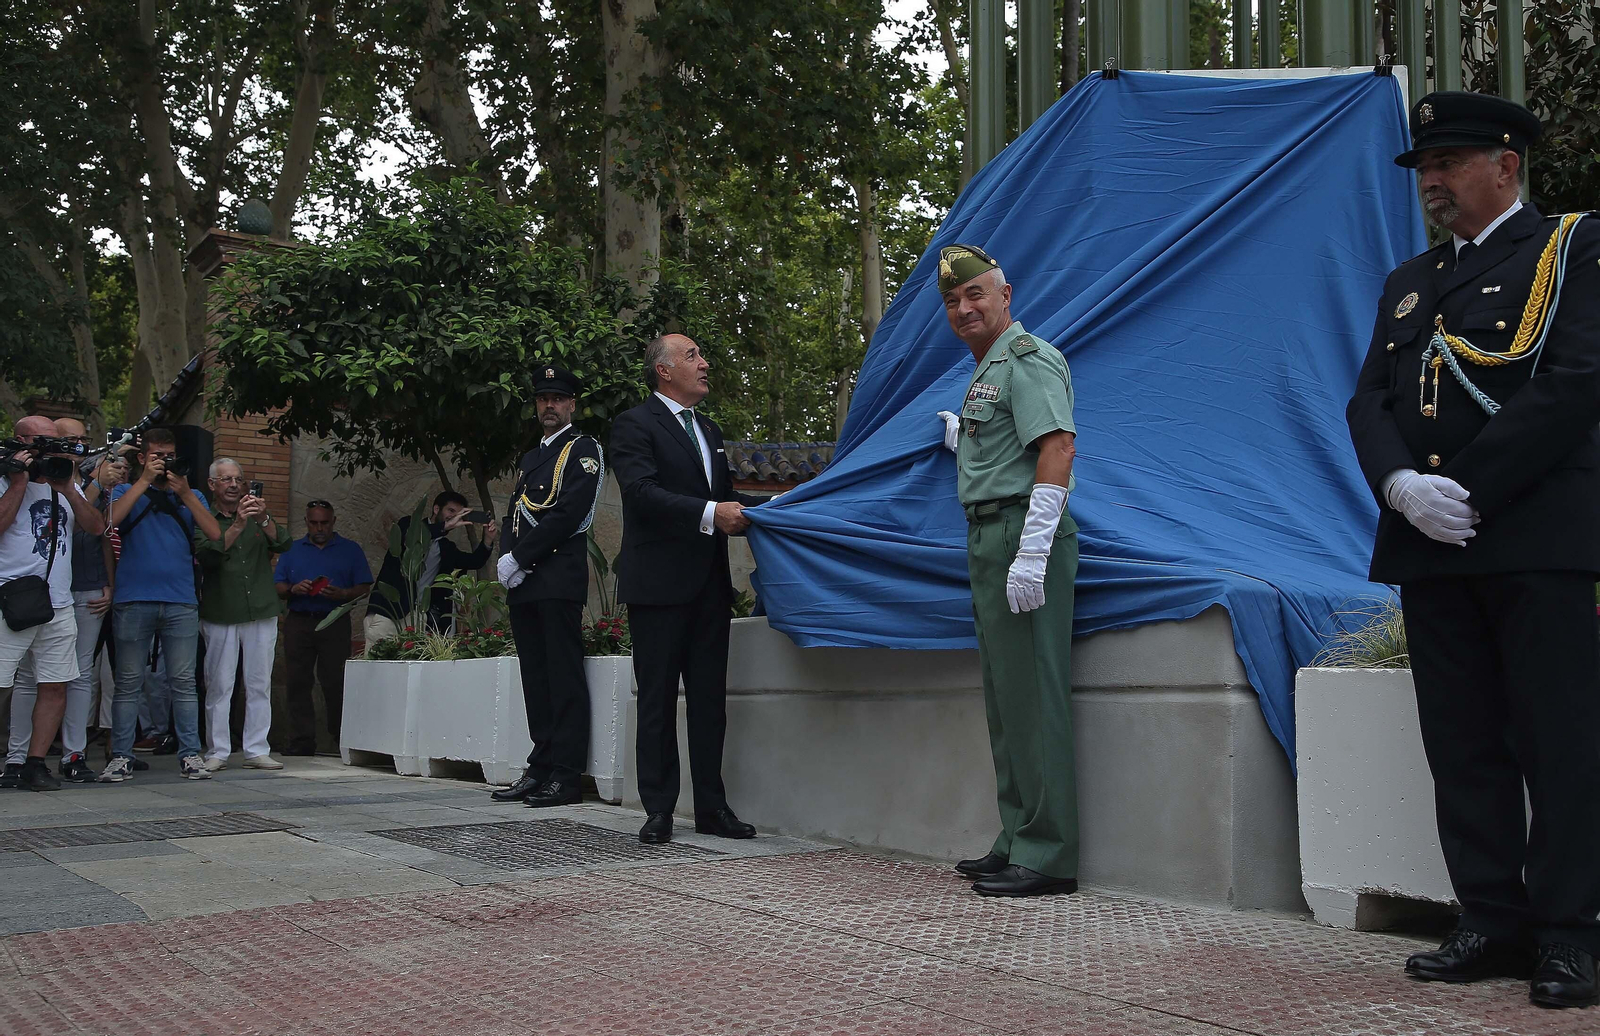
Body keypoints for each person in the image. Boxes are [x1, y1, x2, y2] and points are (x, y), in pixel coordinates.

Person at [1347, 92, 1600, 1010]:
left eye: (1450, 165)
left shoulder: (1572, 249)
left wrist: (1471, 488)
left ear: (1506, 164)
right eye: (1425, 171)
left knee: (1561, 742)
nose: (1435, 185)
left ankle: (1573, 934)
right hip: (1430, 545)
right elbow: (1367, 400)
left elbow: (1576, 380)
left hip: (1535, 537)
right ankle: (1490, 918)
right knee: (1462, 744)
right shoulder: (1409, 282)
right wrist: (1401, 488)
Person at [933, 244, 1080, 898]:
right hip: (989, 532)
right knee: (1005, 698)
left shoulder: (1029, 358)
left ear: (1004, 294)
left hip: (1022, 532)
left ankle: (1049, 854)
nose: (964, 309)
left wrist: (1035, 548)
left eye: (975, 295)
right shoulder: (988, 368)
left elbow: (1057, 447)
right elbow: (1005, 445)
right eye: (953, 302)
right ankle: (1018, 835)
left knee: (1034, 697)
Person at [611, 334, 761, 844]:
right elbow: (641, 492)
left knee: (708, 701)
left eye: (702, 352)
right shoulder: (633, 424)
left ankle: (712, 808)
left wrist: (778, 508)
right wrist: (710, 514)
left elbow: (721, 497)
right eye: (693, 355)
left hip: (709, 587)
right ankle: (657, 809)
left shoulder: (710, 430)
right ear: (664, 371)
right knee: (656, 699)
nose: (705, 361)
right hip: (656, 586)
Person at [492, 366, 603, 807]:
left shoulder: (583, 449)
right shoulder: (532, 456)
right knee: (535, 679)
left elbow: (569, 512)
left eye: (558, 398)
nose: (549, 405)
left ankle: (566, 773)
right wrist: (506, 557)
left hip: (556, 577)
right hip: (526, 582)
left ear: (573, 404)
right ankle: (540, 766)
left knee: (563, 677)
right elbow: (514, 514)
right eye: (543, 398)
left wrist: (521, 557)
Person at [101, 427, 221, 782]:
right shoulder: (125, 490)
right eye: (157, 456)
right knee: (128, 681)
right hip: (133, 597)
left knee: (184, 681)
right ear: (142, 458)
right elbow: (112, 522)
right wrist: (144, 482)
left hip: (181, 600)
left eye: (170, 456)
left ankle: (190, 755)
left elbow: (215, 535)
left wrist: (184, 492)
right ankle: (121, 755)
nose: (165, 462)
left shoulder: (191, 493)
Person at [2, 419, 114, 785]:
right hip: (11, 598)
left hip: (58, 602)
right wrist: (19, 480)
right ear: (21, 441)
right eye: (43, 441)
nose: (51, 449)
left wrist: (67, 487)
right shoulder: (5, 479)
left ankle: (35, 762)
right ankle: (11, 761)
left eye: (56, 442)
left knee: (55, 684)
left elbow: (96, 528)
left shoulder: (65, 482)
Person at [195, 459, 291, 771]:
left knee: (259, 682)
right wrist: (236, 525)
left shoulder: (256, 515)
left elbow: (284, 542)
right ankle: (218, 750)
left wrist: (263, 519)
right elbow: (207, 556)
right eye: (226, 480)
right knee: (220, 684)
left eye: (238, 479)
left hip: (261, 609)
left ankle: (256, 748)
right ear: (213, 485)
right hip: (221, 609)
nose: (234, 485)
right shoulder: (203, 517)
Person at [274, 501, 372, 755]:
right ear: (306, 522)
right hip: (299, 619)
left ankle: (342, 740)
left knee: (336, 681)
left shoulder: (350, 550)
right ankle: (301, 741)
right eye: (314, 522)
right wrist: (294, 589)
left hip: (334, 620)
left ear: (333, 522)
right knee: (298, 681)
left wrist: (343, 593)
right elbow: (278, 586)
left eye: (324, 523)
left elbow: (363, 588)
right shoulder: (292, 549)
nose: (319, 528)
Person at [367, 491, 496, 641]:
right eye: (451, 511)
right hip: (389, 613)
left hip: (419, 618)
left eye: (458, 514)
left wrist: (487, 539)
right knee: (377, 661)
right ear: (436, 509)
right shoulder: (409, 524)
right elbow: (411, 537)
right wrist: (444, 526)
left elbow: (475, 561)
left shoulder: (446, 547)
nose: (454, 516)